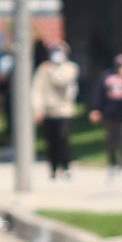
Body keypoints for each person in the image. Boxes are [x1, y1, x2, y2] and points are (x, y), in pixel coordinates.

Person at [32, 44, 80, 179]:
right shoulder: (43, 69)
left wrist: (52, 70)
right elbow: (37, 90)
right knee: (50, 142)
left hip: (65, 111)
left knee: (63, 139)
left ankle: (65, 166)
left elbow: (62, 81)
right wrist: (38, 109)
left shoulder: (70, 67)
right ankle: (53, 168)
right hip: (48, 111)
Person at [92, 52, 122, 179]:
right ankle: (112, 163)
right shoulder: (106, 77)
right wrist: (96, 109)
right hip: (110, 114)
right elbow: (99, 94)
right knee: (111, 141)